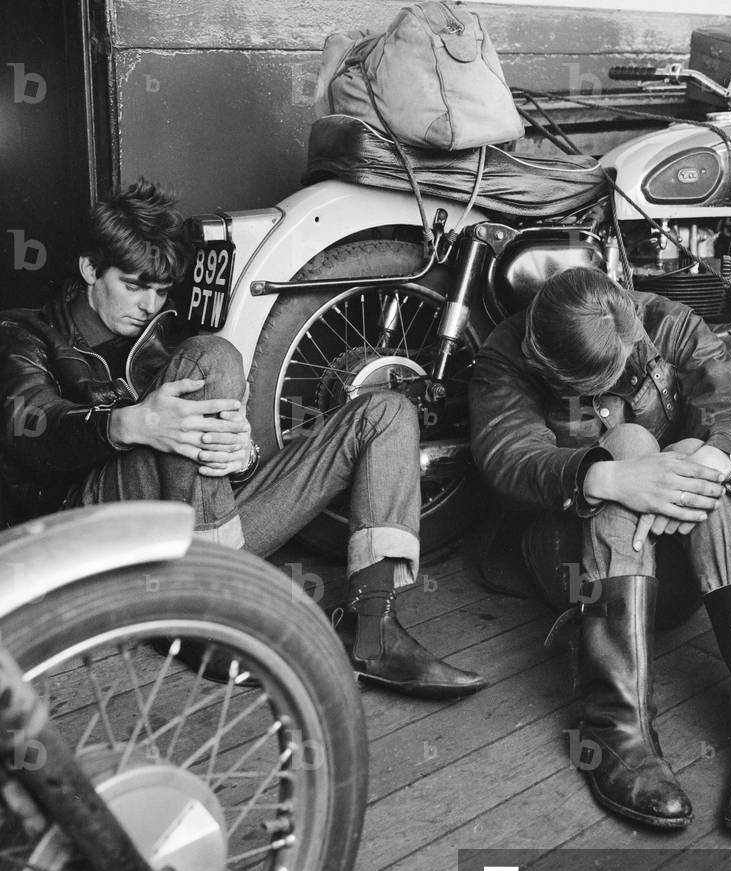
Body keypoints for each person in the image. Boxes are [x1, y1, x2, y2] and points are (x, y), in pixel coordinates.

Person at [0, 178, 482, 700]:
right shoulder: (25, 333)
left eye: (160, 291)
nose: (148, 303)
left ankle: (371, 633)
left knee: (388, 410)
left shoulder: (159, 335)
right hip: (96, 533)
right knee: (216, 356)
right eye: (134, 285)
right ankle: (210, 612)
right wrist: (128, 423)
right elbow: (32, 432)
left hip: (199, 536)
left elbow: (209, 472)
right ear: (91, 270)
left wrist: (243, 455)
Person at [469, 267, 731, 834]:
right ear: (544, 358)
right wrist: (610, 479)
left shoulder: (667, 322)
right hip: (571, 561)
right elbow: (509, 454)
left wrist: (707, 464)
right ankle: (619, 729)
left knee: (698, 467)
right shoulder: (505, 354)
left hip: (674, 568)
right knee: (626, 445)